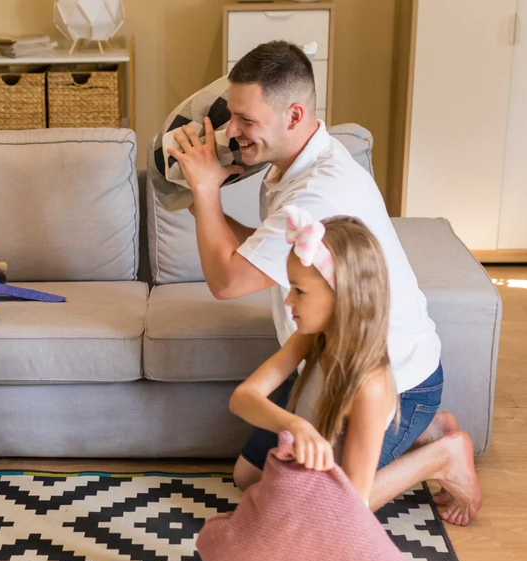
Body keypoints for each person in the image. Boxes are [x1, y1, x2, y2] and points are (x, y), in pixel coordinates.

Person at [166, 40, 480, 526]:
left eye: (247, 120)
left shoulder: (320, 189)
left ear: (293, 115)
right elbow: (259, 253)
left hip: (385, 375)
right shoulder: (292, 168)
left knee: (318, 509)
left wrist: (207, 191)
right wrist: (195, 198)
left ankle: (441, 454)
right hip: (324, 357)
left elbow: (228, 281)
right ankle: (430, 430)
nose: (233, 132)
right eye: (234, 116)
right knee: (250, 479)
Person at [171, 210, 478, 561]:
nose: (288, 299)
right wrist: (297, 425)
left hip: (305, 537)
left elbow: (355, 505)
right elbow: (244, 398)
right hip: (277, 512)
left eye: (299, 290)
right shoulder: (309, 340)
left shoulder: (372, 385)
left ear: (343, 296)